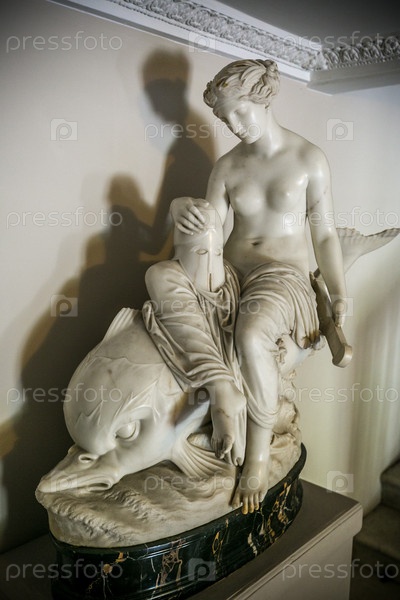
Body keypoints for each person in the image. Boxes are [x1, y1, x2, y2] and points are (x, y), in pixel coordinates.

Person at [148, 59, 347, 514]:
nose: (234, 126)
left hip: (282, 277)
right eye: (225, 119)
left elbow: (325, 236)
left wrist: (338, 293)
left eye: (239, 112)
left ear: (263, 98)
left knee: (252, 334)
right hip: (230, 272)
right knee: (159, 275)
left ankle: (257, 453)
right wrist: (180, 208)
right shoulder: (227, 166)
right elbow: (209, 231)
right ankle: (223, 388)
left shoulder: (308, 159)